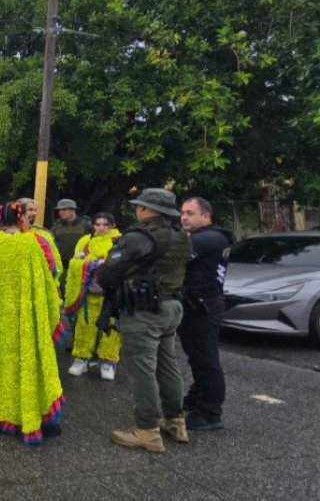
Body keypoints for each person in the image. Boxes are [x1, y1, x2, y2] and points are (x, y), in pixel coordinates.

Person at [97, 188, 192, 453]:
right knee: (167, 364)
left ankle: (147, 430)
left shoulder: (139, 236)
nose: (137, 210)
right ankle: (175, 422)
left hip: (144, 311)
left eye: (140, 206)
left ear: (149, 210)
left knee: (143, 369)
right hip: (172, 307)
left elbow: (106, 273)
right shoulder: (181, 237)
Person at [0, 201, 64, 445]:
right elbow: (46, 282)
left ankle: (0, 413)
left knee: (0, 366)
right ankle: (28, 415)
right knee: (26, 367)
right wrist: (49, 316)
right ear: (21, 218)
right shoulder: (31, 244)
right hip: (25, 320)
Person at [179, 197, 234, 431]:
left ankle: (210, 412)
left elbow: (175, 257)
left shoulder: (209, 238)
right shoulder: (206, 237)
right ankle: (197, 397)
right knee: (198, 357)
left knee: (206, 360)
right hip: (198, 304)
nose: (184, 217)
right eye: (182, 212)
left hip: (203, 306)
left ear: (206, 216)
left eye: (190, 213)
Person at [64, 213, 122, 380]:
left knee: (111, 327)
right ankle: (81, 358)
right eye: (98, 224)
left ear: (112, 225)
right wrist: (92, 264)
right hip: (89, 293)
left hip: (111, 295)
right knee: (84, 325)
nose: (102, 228)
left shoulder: (120, 241)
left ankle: (108, 361)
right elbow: (74, 263)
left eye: (106, 224)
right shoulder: (85, 241)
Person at [51, 198, 93, 294]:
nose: (61, 212)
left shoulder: (87, 225)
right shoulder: (56, 227)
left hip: (81, 268)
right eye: (60, 210)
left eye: (64, 209)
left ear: (73, 210)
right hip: (63, 268)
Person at [19, 198, 62, 278]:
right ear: (19, 211)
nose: (34, 213)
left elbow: (54, 263)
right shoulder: (10, 233)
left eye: (35, 210)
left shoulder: (44, 234)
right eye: (30, 210)